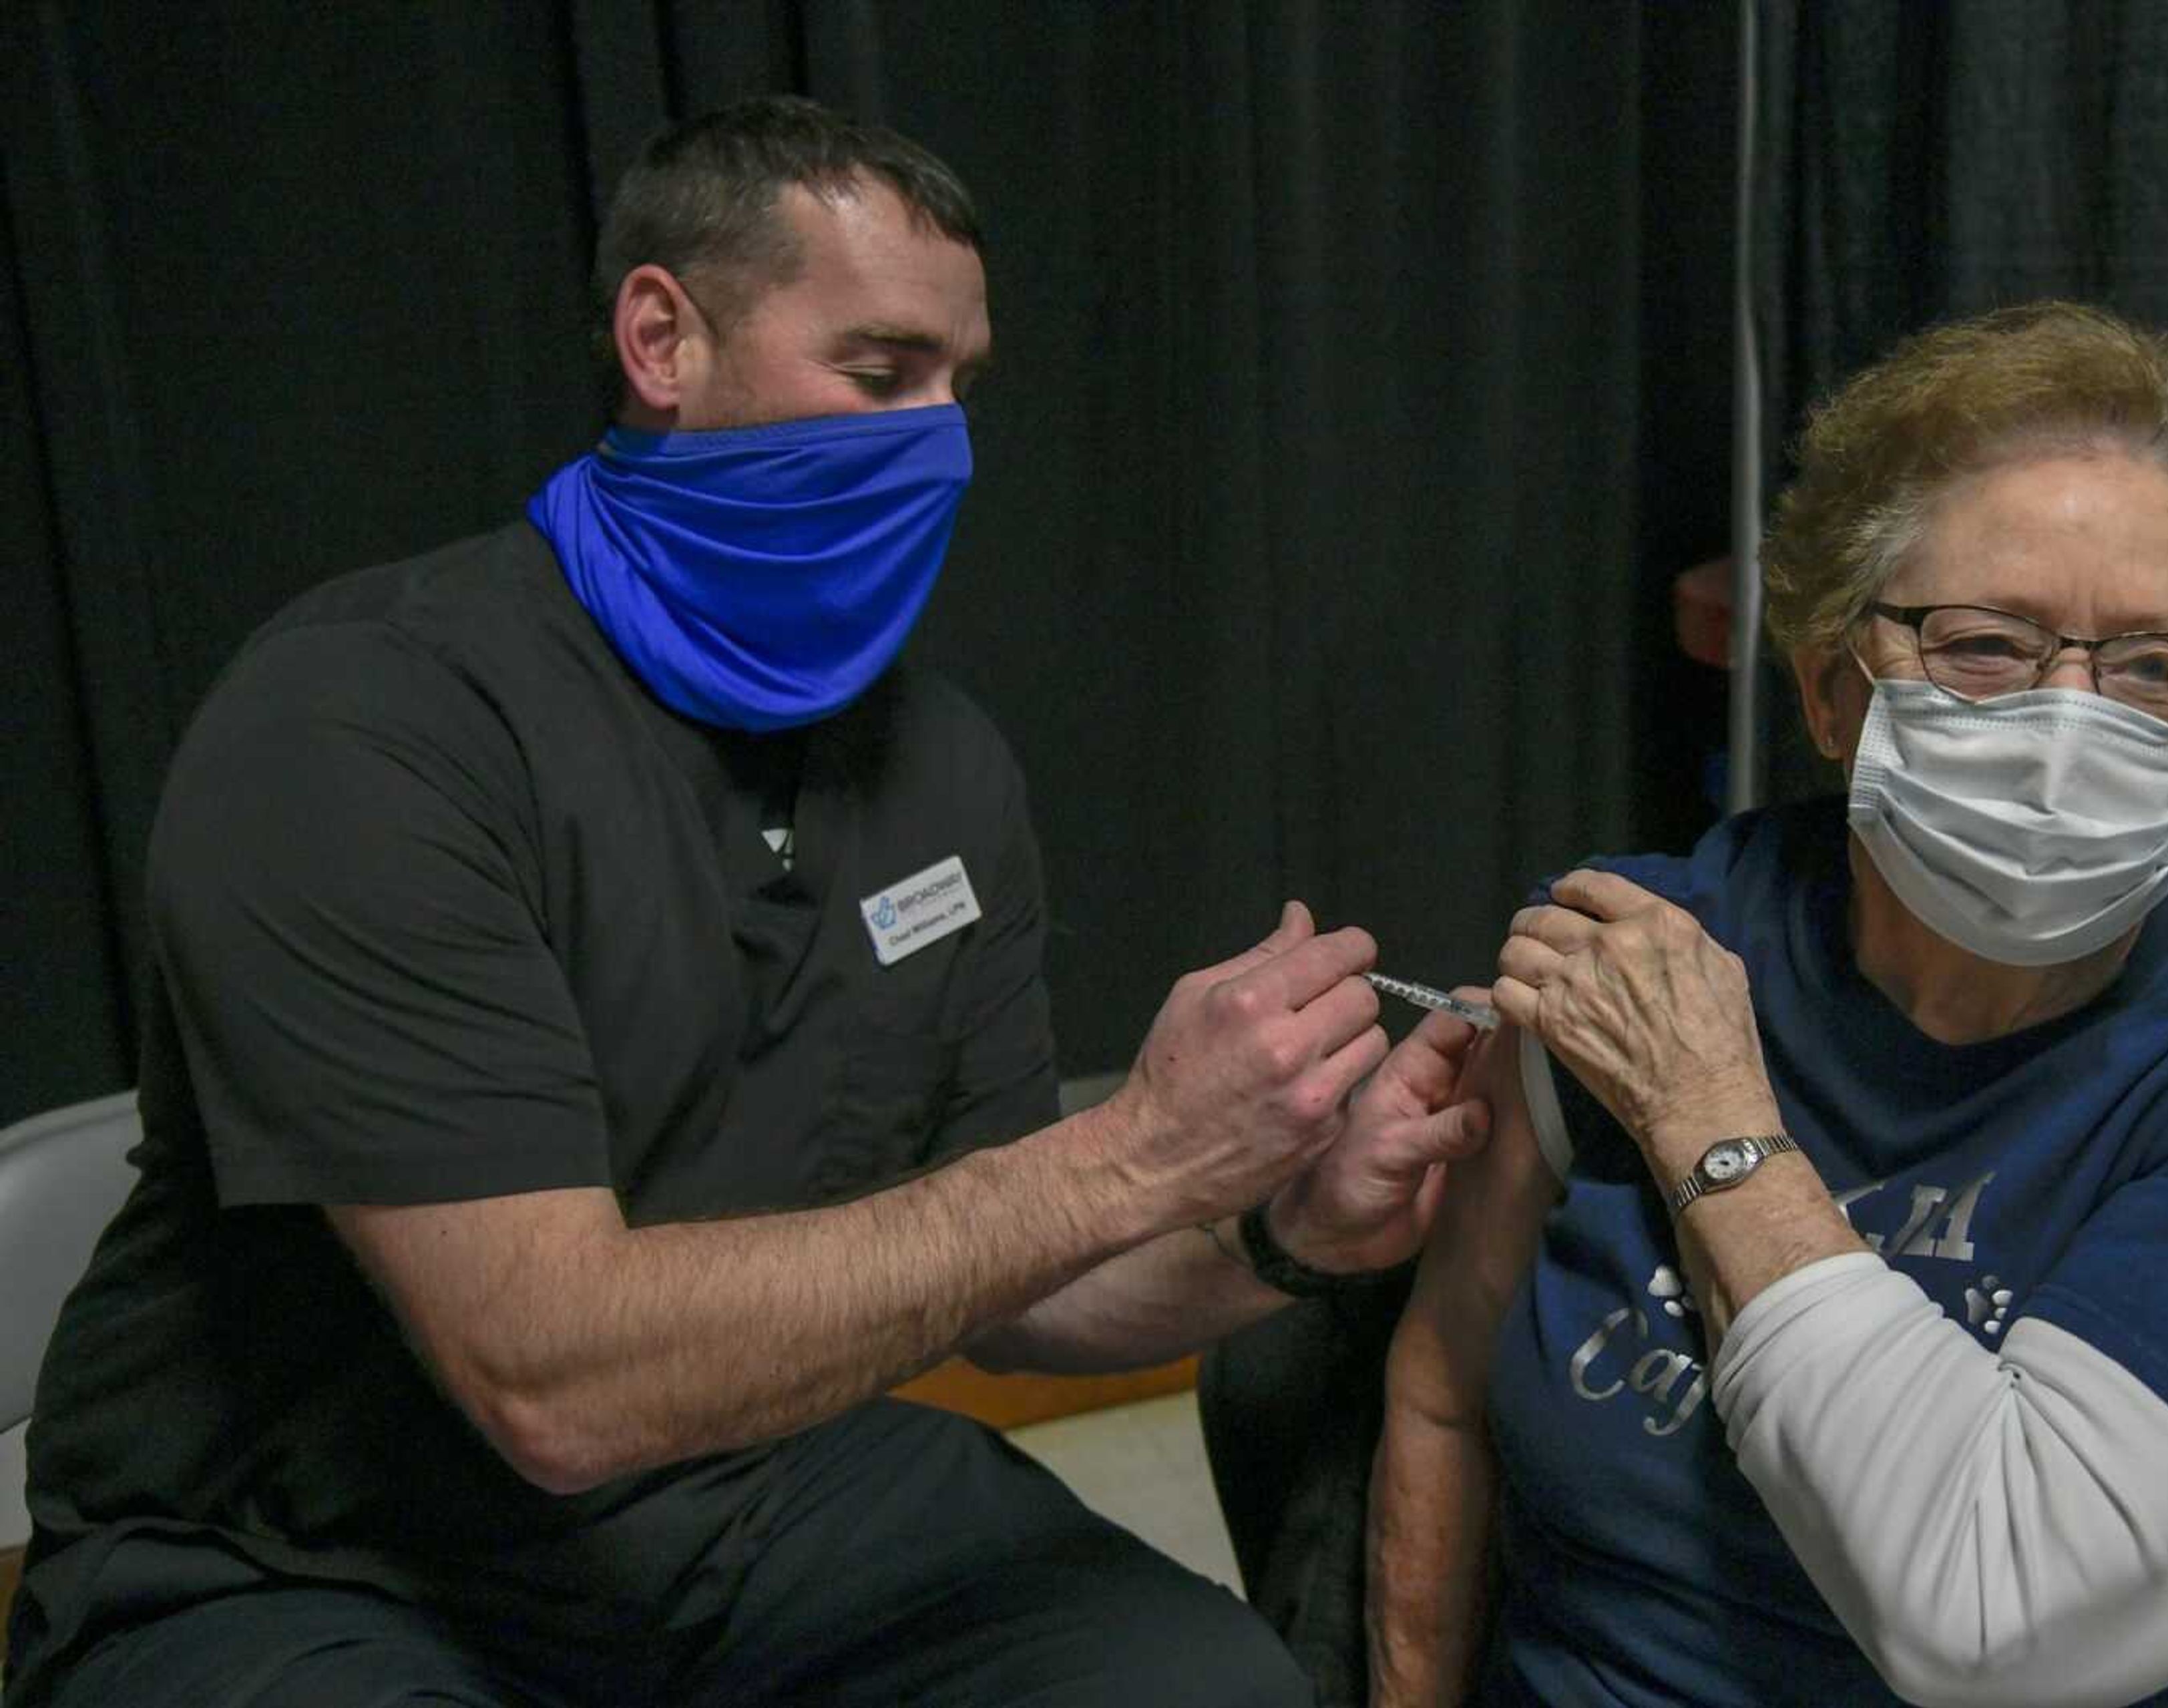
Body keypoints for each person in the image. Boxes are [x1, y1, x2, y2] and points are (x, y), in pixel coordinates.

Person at [4, 97, 1490, 1708]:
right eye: (879, 372)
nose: (943, 441)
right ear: (663, 337)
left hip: (744, 1494)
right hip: (306, 1560)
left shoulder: (940, 766)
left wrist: (1281, 1234)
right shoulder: (363, 733)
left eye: (961, 388)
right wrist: (1128, 1152)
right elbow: (552, 1383)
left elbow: (1021, 1272)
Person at [1369, 302, 2168, 1707]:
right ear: (1834, 689)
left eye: (2148, 667)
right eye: (1988, 644)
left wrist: (1706, 1112)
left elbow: (2001, 1623)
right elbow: (1441, 1390)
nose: (2069, 724)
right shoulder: (1647, 946)